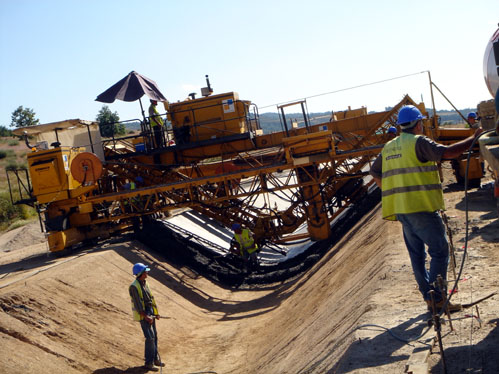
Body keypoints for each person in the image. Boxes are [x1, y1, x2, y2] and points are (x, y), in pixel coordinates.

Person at [370, 105, 483, 313]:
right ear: (419, 124)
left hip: (402, 210)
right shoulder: (418, 142)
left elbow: (374, 171)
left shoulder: (389, 147)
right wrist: (474, 138)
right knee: (440, 251)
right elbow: (447, 153)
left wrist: (393, 190)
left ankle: (429, 298)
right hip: (421, 207)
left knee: (417, 256)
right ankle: (438, 298)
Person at [129, 263, 164, 371]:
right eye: (145, 271)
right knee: (150, 338)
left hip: (150, 312)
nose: (147, 272)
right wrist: (146, 316)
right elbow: (138, 304)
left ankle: (155, 359)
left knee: (155, 336)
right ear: (140, 273)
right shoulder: (134, 286)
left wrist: (156, 313)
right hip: (144, 314)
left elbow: (151, 299)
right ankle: (148, 363)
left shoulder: (145, 283)